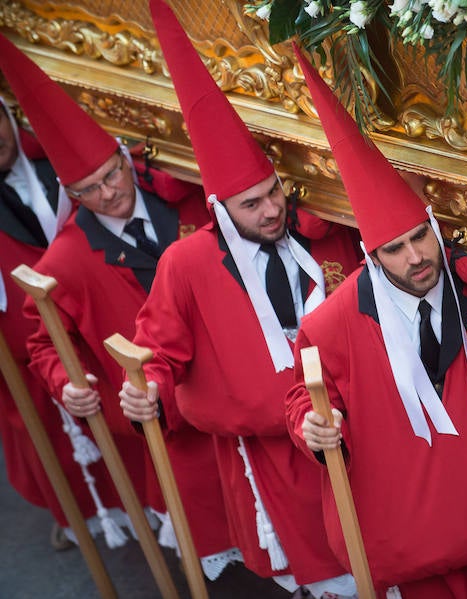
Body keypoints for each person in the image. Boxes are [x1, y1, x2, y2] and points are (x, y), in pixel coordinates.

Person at [118, 2, 362, 596]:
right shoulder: (186, 262)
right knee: (313, 574)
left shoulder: (320, 236)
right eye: (251, 205)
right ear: (218, 210)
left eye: (273, 192)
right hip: (264, 454)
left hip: (346, 435)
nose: (272, 209)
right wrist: (145, 386)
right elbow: (157, 351)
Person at [284, 45, 467, 599]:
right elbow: (304, 398)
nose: (415, 257)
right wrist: (310, 425)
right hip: (405, 534)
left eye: (420, 237)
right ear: (370, 256)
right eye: (395, 249)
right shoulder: (329, 324)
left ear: (435, 227)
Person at [0, 31, 212, 549]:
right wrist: (62, 383)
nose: (110, 192)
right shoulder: (64, 260)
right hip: (162, 418)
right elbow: (43, 343)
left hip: (225, 387)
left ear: (125, 159)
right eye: (89, 189)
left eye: (113, 174)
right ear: (71, 195)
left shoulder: (186, 206)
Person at [0, 94, 83, 548]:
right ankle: (78, 515)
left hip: (81, 318)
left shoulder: (55, 157)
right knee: (50, 440)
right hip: (21, 347)